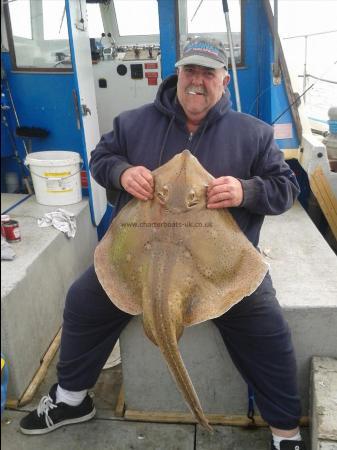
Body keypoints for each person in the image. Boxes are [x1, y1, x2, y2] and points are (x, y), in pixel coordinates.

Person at [20, 37, 306, 450]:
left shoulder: (254, 134)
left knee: (266, 327)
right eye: (190, 71)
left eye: (209, 74)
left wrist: (247, 191)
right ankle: (71, 399)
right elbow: (101, 159)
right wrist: (120, 173)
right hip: (141, 252)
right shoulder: (134, 123)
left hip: (218, 262)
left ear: (224, 81)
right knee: (83, 300)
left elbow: (286, 189)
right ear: (177, 74)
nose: (198, 81)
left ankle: (286, 432)